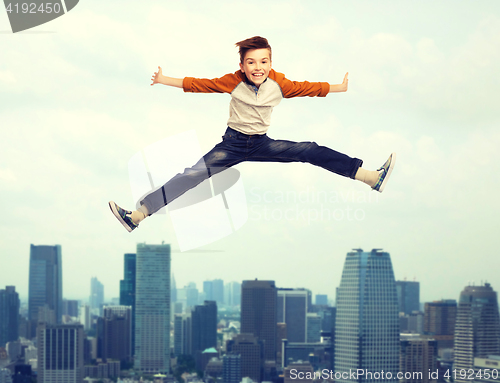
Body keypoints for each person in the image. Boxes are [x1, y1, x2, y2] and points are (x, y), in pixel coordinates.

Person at [109, 36, 395, 233]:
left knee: (309, 149)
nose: (258, 68)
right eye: (251, 62)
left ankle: (370, 177)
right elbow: (198, 84)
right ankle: (138, 215)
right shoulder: (232, 82)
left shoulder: (280, 84)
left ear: (270, 63)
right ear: (242, 65)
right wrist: (163, 79)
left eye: (263, 62)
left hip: (262, 144)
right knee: (192, 175)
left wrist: (339, 87)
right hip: (231, 145)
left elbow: (308, 88)